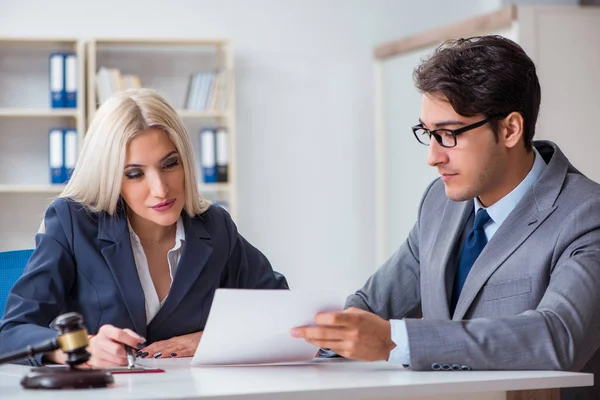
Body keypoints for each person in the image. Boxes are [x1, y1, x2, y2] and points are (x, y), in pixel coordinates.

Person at [292, 35, 600, 398]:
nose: (433, 157)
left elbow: (557, 337)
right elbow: (371, 306)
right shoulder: (439, 202)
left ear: (510, 129)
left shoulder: (586, 214)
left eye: (449, 134)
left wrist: (395, 341)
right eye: (428, 133)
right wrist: (291, 341)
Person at [0, 88, 288, 368]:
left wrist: (213, 339)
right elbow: (11, 331)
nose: (161, 189)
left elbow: (283, 313)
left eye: (170, 164)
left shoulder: (214, 226)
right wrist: (78, 348)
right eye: (135, 174)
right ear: (111, 177)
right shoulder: (72, 222)